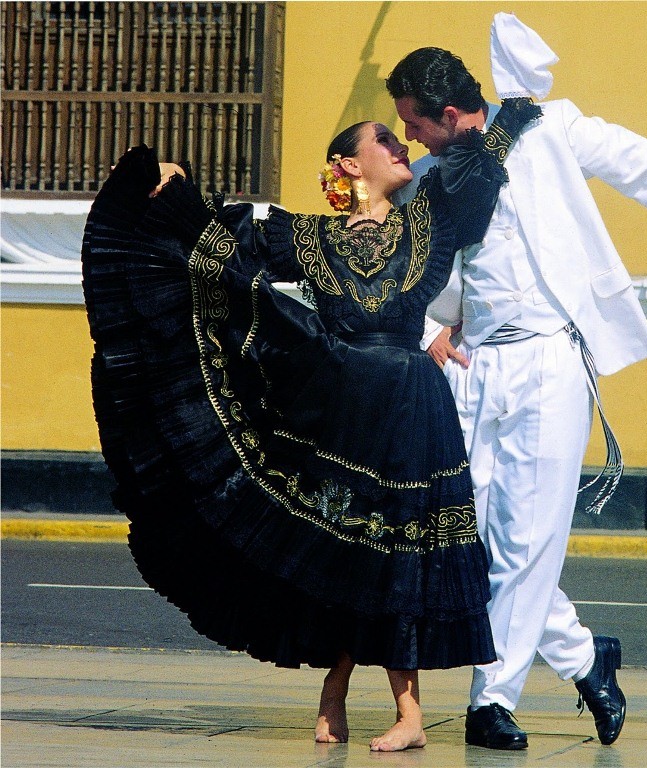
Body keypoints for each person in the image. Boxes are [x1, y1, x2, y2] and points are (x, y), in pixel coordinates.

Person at [81, 101, 537, 751]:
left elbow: (472, 185)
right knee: (341, 552)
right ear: (350, 164)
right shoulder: (309, 237)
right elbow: (222, 246)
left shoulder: (425, 225)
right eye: (384, 138)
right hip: (342, 406)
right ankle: (333, 692)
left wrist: (505, 123)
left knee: (402, 557)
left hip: (412, 410)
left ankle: (409, 716)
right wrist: (175, 193)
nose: (399, 145)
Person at [385, 13, 647, 750]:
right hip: (470, 365)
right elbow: (396, 278)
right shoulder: (433, 182)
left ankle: (489, 699)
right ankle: (583, 656)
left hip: (548, 359)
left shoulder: (549, 130)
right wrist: (424, 332)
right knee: (465, 540)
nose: (408, 140)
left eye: (414, 125)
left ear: (447, 111)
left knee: (528, 539)